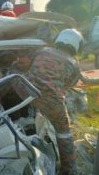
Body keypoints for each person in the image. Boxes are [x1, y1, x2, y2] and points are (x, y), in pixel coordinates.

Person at [12, 29, 83, 175]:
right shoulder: (74, 64)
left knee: (12, 73)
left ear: (59, 39)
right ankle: (68, 170)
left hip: (26, 92)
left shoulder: (42, 51)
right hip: (52, 103)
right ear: (76, 46)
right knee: (65, 134)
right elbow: (68, 86)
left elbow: (25, 66)